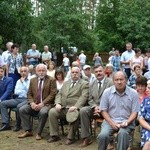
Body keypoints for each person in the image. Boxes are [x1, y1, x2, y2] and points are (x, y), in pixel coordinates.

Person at [97, 71, 140, 150]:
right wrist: (112, 123)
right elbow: (103, 110)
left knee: (123, 134)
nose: (119, 82)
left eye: (121, 79)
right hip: (110, 121)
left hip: (127, 121)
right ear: (113, 81)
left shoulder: (133, 93)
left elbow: (135, 112)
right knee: (103, 135)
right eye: (116, 80)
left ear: (126, 80)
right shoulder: (107, 92)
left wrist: (127, 122)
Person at [47, 66, 89, 145]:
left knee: (74, 115)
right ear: (70, 73)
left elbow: (84, 97)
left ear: (80, 73)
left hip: (74, 108)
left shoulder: (84, 84)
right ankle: (54, 135)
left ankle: (70, 137)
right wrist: (58, 103)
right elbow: (59, 94)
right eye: (73, 72)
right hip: (63, 108)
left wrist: (76, 106)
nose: (74, 74)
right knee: (52, 112)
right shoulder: (66, 83)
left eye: (76, 72)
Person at [18, 64, 57, 140]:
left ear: (46, 71)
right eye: (39, 71)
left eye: (43, 70)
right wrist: (32, 103)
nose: (41, 72)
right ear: (36, 72)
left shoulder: (51, 80)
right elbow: (29, 93)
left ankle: (38, 133)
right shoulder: (33, 80)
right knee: (22, 109)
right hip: (34, 103)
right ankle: (28, 130)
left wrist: (43, 103)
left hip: (46, 104)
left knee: (43, 112)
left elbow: (53, 94)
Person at [79, 65, 113, 147]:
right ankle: (86, 138)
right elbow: (90, 99)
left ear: (104, 71)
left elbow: (112, 98)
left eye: (100, 71)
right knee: (83, 110)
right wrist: (94, 106)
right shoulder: (92, 83)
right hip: (95, 108)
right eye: (96, 72)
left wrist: (101, 108)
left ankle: (110, 141)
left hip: (107, 109)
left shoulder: (110, 82)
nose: (98, 73)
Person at [0, 66, 30, 131]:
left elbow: (29, 91)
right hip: (18, 98)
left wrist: (23, 83)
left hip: (27, 99)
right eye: (21, 71)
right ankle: (6, 124)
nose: (23, 73)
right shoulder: (18, 81)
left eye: (25, 71)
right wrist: (23, 90)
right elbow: (16, 91)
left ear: (28, 72)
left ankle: (18, 125)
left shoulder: (31, 80)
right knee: (3, 103)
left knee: (19, 107)